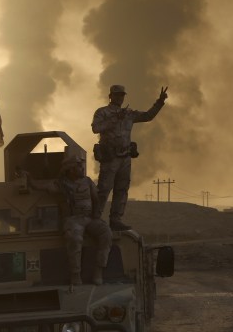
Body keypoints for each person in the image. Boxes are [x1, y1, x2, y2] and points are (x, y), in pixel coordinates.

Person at [20, 153, 112, 286]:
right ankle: (75, 274)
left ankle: (99, 270)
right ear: (71, 169)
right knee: (75, 239)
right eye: (79, 167)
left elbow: (96, 199)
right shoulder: (62, 185)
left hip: (90, 218)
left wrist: (97, 214)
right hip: (73, 220)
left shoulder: (87, 181)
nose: (82, 169)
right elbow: (40, 186)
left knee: (106, 233)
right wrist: (29, 177)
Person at [92, 84, 168, 231]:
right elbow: (96, 128)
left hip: (125, 157)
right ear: (111, 96)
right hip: (110, 158)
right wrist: (115, 119)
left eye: (122, 95)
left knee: (122, 189)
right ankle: (95, 219)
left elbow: (148, 116)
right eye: (117, 95)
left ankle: (116, 220)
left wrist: (160, 102)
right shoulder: (103, 112)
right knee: (103, 189)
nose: (120, 98)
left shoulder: (129, 114)